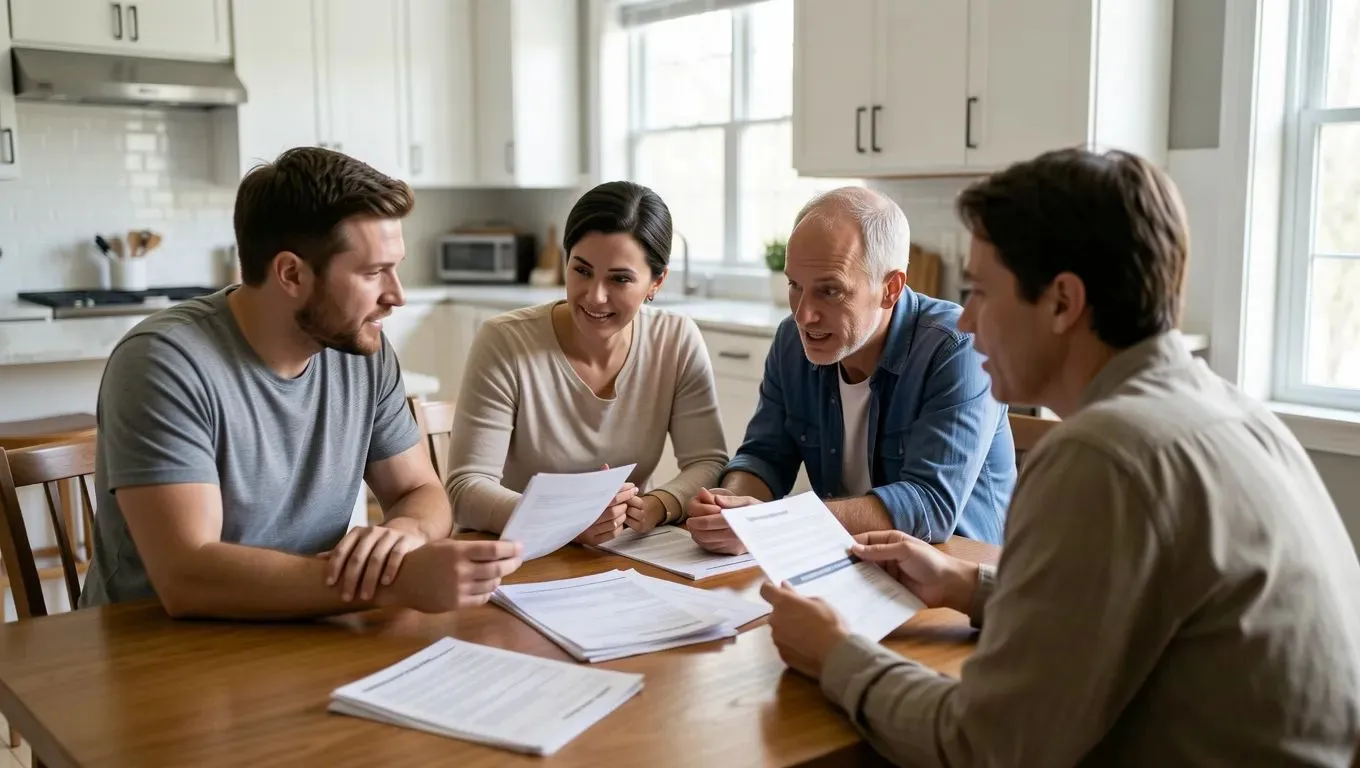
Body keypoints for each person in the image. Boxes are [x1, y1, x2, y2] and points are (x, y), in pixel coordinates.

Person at [758, 148, 1360, 766]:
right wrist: (973, 586)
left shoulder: (1103, 456)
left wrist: (835, 655)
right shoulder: (1234, 411)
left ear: (1062, 303)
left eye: (981, 291)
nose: (965, 321)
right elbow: (1130, 611)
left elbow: (986, 746)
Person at [79, 147, 524, 619]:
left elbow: (420, 491)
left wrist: (404, 536)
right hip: (157, 652)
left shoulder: (361, 349)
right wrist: (393, 583)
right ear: (291, 273)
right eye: (373, 272)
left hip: (307, 627)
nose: (396, 295)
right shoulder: (163, 363)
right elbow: (189, 576)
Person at [685, 187, 1015, 553]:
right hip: (848, 563)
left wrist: (772, 524)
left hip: (956, 575)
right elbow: (764, 456)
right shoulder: (792, 342)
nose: (803, 315)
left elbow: (929, 507)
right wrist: (730, 508)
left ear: (890, 288)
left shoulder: (957, 346)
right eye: (795, 285)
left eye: (830, 291)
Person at [445, 181, 727, 543]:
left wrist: (658, 504)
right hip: (521, 554)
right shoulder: (505, 341)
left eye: (620, 279)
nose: (595, 296)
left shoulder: (675, 340)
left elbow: (709, 462)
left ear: (656, 282)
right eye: (581, 271)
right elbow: (467, 489)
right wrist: (563, 521)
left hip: (625, 553)